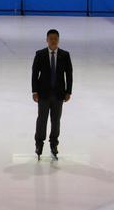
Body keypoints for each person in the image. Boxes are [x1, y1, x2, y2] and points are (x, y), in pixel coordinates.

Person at [32, 29, 73, 159]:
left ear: (58, 40)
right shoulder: (40, 54)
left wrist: (68, 91)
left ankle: (54, 144)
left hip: (59, 95)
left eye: (56, 38)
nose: (53, 41)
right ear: (47, 40)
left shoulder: (65, 55)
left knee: (56, 121)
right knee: (42, 120)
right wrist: (34, 91)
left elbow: (69, 74)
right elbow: (34, 74)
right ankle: (39, 144)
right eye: (51, 38)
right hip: (43, 94)